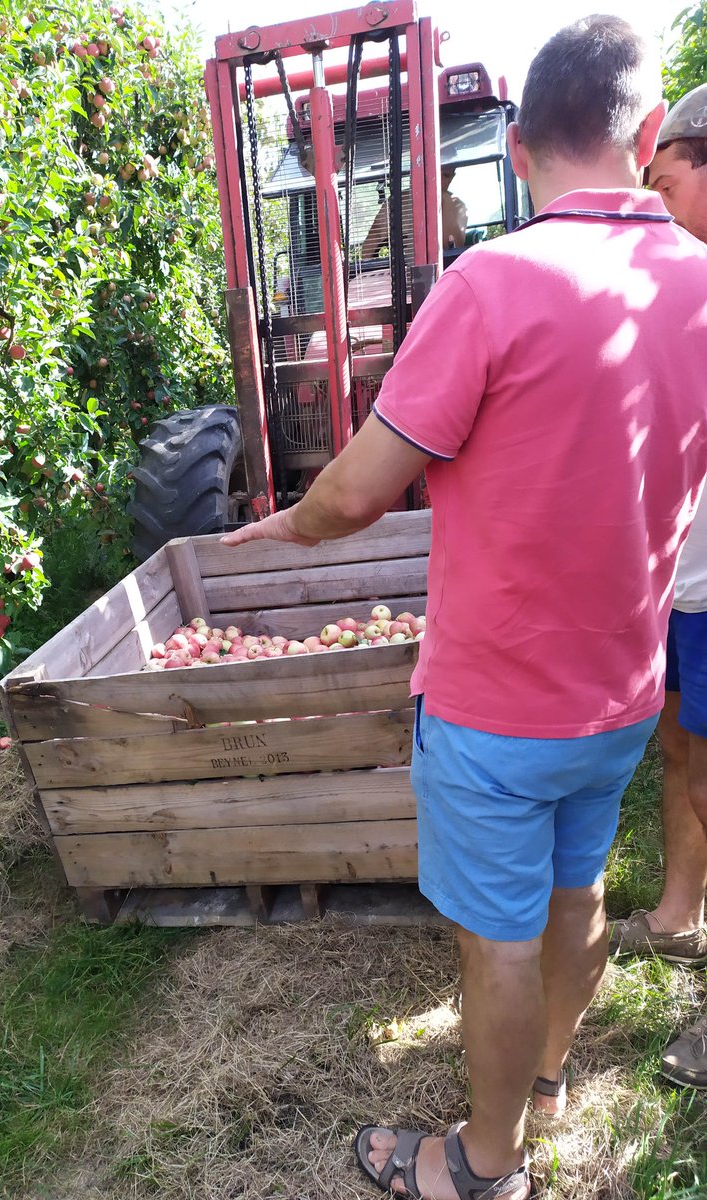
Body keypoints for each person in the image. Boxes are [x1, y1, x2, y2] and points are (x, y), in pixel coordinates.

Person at [222, 16, 707, 1200]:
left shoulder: (489, 283)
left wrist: (280, 528)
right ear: (648, 135)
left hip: (496, 703)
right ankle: (544, 1080)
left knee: (495, 937)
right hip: (622, 691)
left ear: (518, 143)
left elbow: (354, 495)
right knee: (577, 893)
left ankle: (485, 1164)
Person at [609, 82, 707, 1092]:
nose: (657, 204)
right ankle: (680, 914)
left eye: (668, 182)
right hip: (681, 587)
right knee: (682, 748)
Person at [361, 167, 467, 260]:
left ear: (452, 177)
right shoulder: (397, 202)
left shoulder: (457, 205)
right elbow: (368, 250)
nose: (437, 179)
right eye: (434, 171)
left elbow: (457, 250)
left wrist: (445, 202)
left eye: (446, 175)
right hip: (403, 274)